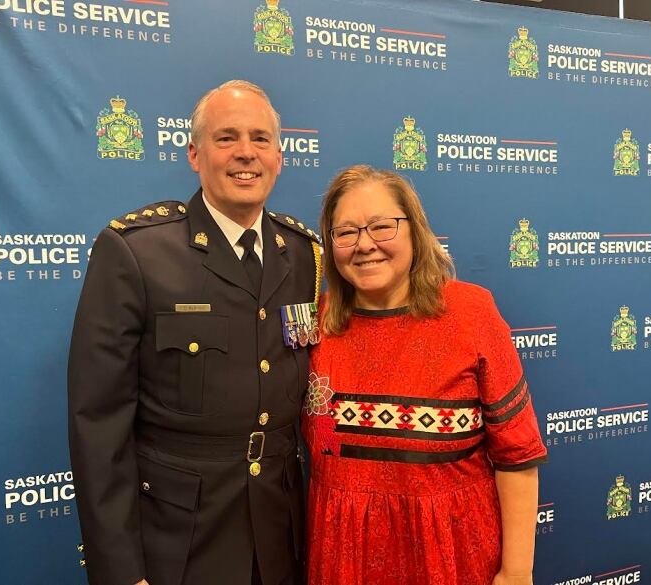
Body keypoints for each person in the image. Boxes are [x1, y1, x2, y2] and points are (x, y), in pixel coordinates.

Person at [68, 80, 321, 585]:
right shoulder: (137, 252)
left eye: (260, 139)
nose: (245, 153)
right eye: (226, 138)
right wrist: (120, 571)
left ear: (280, 155)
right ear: (194, 154)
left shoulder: (303, 254)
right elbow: (99, 425)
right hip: (178, 540)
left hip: (282, 531)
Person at [302, 165, 547, 585]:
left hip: (451, 556)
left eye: (382, 226)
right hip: (342, 557)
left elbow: (517, 456)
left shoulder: (471, 313)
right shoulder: (314, 323)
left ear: (414, 230)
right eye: (346, 232)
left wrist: (517, 573)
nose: (365, 245)